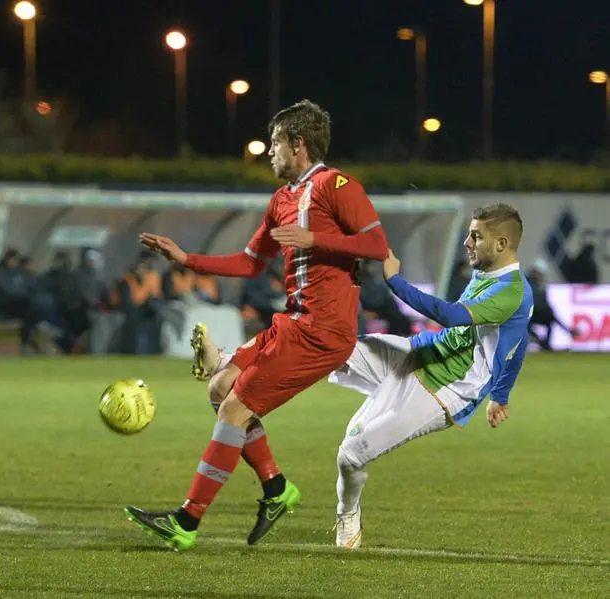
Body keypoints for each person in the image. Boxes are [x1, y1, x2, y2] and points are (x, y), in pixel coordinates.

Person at [127, 99, 389, 551]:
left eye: (275, 144)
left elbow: (377, 244)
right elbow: (250, 263)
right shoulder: (281, 201)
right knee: (218, 388)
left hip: (324, 331)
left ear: (298, 144)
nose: (269, 152)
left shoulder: (336, 185)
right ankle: (275, 488)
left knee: (234, 409)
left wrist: (315, 238)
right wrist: (187, 259)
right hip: (293, 322)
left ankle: (186, 523)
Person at [328, 203, 532, 549]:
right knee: (330, 348)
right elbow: (518, 341)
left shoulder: (513, 291)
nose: (467, 242)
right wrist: (501, 395)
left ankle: (348, 515)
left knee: (350, 454)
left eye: (475, 235)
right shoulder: (486, 273)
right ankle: (230, 363)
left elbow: (453, 316)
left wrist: (395, 281)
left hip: (446, 389)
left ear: (501, 244)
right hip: (422, 352)